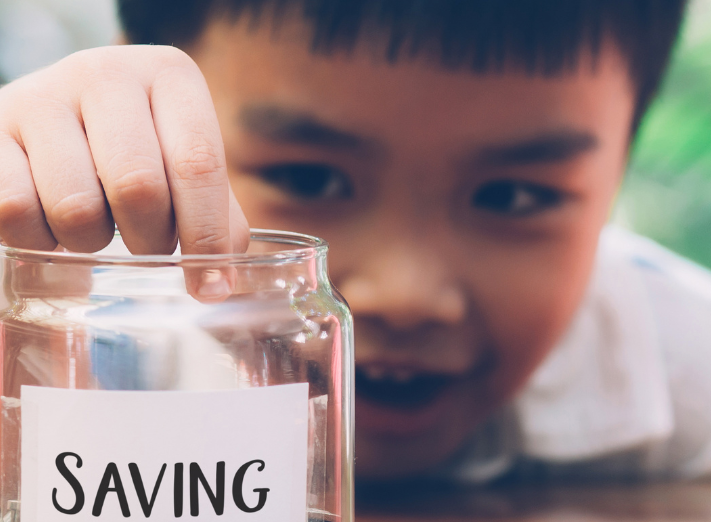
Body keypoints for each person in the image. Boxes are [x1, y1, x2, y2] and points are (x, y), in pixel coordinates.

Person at [0, 0, 706, 482]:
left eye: (512, 196)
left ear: (621, 164)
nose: (406, 295)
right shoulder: (57, 304)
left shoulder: (685, 365)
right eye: (309, 177)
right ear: (149, 131)